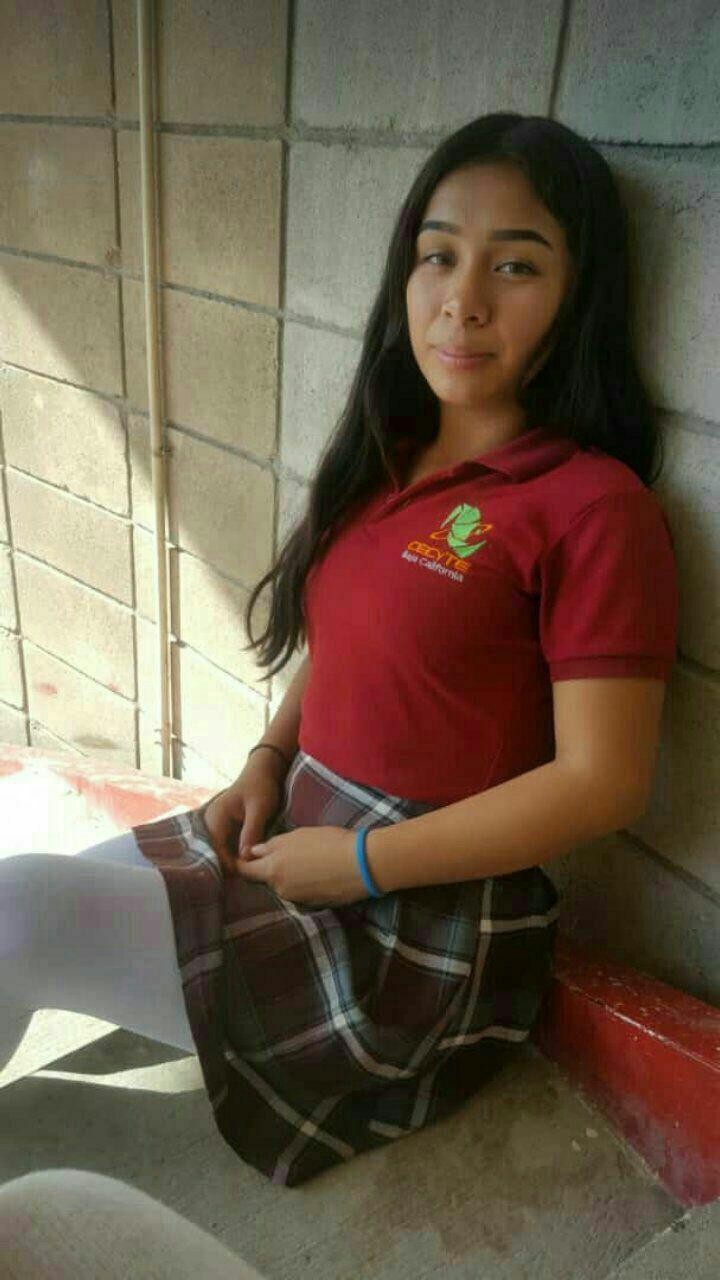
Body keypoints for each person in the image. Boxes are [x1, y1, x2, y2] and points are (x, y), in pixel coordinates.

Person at [0, 112, 678, 1188]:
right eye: (439, 256)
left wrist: (360, 864)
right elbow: (346, 644)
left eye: (516, 265)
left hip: (415, 922)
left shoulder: (593, 505)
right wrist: (267, 759)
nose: (463, 298)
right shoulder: (390, 454)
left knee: (18, 915)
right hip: (298, 828)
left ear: (579, 294)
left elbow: (604, 781)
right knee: (16, 908)